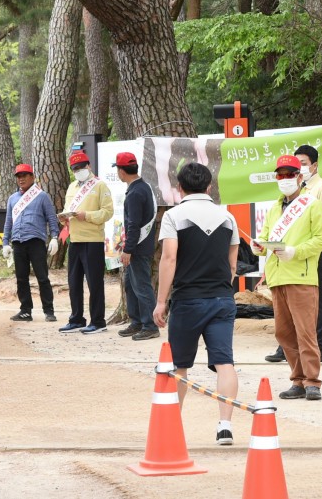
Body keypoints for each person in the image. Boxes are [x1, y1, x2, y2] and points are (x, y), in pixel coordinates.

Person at [152, 162, 240, 445]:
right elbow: (232, 265)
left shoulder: (174, 216)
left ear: (180, 188)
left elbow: (169, 259)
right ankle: (225, 426)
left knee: (179, 366)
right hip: (222, 299)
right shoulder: (227, 218)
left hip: (188, 300)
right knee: (225, 363)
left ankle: (170, 426)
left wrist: (160, 302)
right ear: (209, 187)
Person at [254, 155, 322, 401]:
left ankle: (312, 382)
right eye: (280, 175)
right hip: (277, 278)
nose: (285, 179)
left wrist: (295, 252)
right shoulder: (275, 207)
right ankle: (297, 380)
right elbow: (266, 238)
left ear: (300, 177)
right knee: (284, 334)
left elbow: (321, 239)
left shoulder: (312, 204)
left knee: (305, 332)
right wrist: (259, 247)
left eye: (290, 174)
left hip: (301, 276)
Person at [266, 144, 322, 364]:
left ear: (314, 165)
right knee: (287, 305)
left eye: (303, 164)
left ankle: (321, 347)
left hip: (316, 252)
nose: (301, 169)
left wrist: (301, 247)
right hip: (286, 255)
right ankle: (285, 348)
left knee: (316, 302)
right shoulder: (282, 200)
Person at [58, 151, 114, 335]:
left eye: (81, 167)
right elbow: (68, 209)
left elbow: (107, 212)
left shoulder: (100, 186)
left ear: (88, 166)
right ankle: (76, 319)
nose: (78, 171)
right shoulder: (72, 187)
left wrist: (87, 216)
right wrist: (64, 218)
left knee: (94, 282)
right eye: (75, 168)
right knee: (74, 282)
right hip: (74, 239)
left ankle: (98, 321)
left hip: (92, 240)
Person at [2, 163, 60, 323]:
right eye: (18, 176)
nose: (21, 179)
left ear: (32, 177)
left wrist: (55, 237)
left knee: (42, 277)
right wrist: (5, 242)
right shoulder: (12, 199)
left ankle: (49, 311)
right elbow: (8, 222)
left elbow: (51, 218)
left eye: (24, 176)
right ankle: (25, 310)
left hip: (36, 241)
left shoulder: (41, 196)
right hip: (18, 242)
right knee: (21, 278)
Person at [115, 152, 160, 341]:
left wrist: (128, 249)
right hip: (141, 245)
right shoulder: (144, 187)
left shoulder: (135, 193)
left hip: (137, 248)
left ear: (121, 171)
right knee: (131, 286)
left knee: (141, 286)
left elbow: (133, 224)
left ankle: (150, 325)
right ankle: (137, 322)